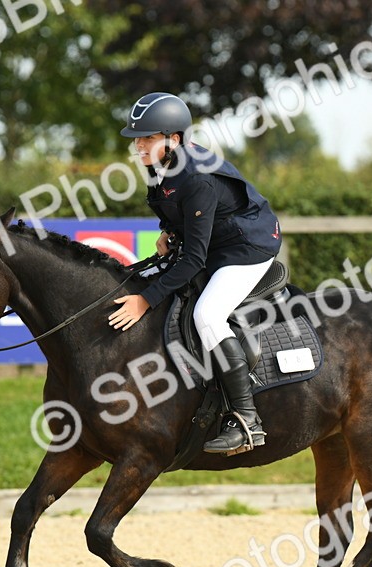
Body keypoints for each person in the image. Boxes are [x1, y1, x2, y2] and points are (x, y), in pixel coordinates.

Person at [108, 92, 283, 455]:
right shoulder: (161, 164)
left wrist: (145, 301)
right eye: (137, 139)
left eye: (147, 138)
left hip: (247, 248)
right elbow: (178, 214)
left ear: (173, 139)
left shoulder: (196, 178)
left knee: (207, 314)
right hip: (215, 241)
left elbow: (194, 261)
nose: (139, 146)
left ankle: (247, 420)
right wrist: (169, 232)